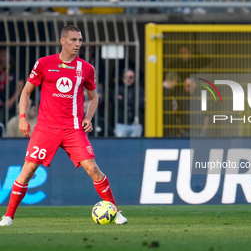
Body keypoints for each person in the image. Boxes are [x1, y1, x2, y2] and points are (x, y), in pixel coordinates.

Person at [0, 25, 127, 226]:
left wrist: (89, 117)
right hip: (46, 128)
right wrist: (23, 117)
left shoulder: (86, 68)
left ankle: (115, 212)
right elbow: (26, 92)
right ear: (62, 41)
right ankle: (8, 216)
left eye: (80, 40)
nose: (78, 44)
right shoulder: (44, 63)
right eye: (74, 40)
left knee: (93, 168)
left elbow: (94, 98)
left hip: (73, 128)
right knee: (27, 171)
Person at [114, 68, 144, 137]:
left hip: (136, 125)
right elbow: (116, 103)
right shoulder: (118, 89)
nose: (128, 79)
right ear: (122, 78)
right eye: (126, 77)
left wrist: (123, 100)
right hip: (120, 124)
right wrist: (133, 101)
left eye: (131, 77)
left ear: (134, 78)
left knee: (135, 146)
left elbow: (141, 105)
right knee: (120, 146)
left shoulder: (139, 90)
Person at [0, 47, 25, 124]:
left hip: (13, 104)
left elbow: (20, 86)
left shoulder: (15, 69)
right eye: (0, 55)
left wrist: (11, 101)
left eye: (4, 55)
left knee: (12, 124)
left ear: (9, 56)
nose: (2, 58)